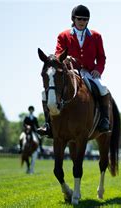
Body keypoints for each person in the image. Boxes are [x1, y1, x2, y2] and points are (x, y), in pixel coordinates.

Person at [38, 4, 111, 137]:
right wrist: (66, 59)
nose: (82, 22)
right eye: (79, 19)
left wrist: (98, 70)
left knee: (103, 88)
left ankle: (104, 119)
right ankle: (48, 123)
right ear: (73, 19)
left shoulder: (96, 36)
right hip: (71, 71)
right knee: (45, 93)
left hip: (89, 72)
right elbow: (59, 54)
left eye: (85, 19)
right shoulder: (63, 35)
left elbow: (101, 57)